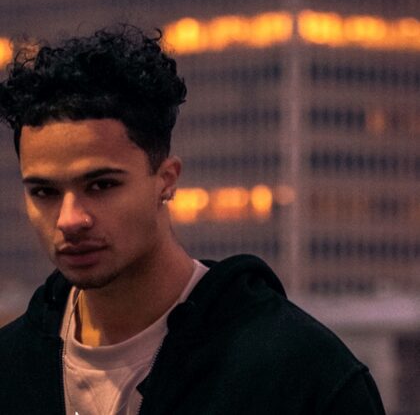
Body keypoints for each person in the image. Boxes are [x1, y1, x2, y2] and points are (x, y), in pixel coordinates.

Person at [0, 25, 385, 415]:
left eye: (101, 185)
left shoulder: (300, 372)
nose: (70, 219)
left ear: (166, 181)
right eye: (44, 192)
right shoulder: (13, 367)